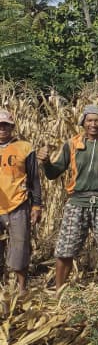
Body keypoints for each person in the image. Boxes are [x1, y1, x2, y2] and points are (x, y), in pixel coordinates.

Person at [39, 105, 98, 292]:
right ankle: (59, 290)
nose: (93, 124)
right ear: (83, 122)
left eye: (97, 120)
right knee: (65, 250)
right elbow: (54, 173)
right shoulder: (72, 144)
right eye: (89, 120)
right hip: (77, 202)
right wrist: (45, 163)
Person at [0, 109, 42, 293]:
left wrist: (36, 204)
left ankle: (21, 287)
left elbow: (34, 178)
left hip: (18, 203)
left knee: (20, 245)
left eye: (5, 125)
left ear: (12, 127)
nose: (2, 129)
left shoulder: (25, 147)